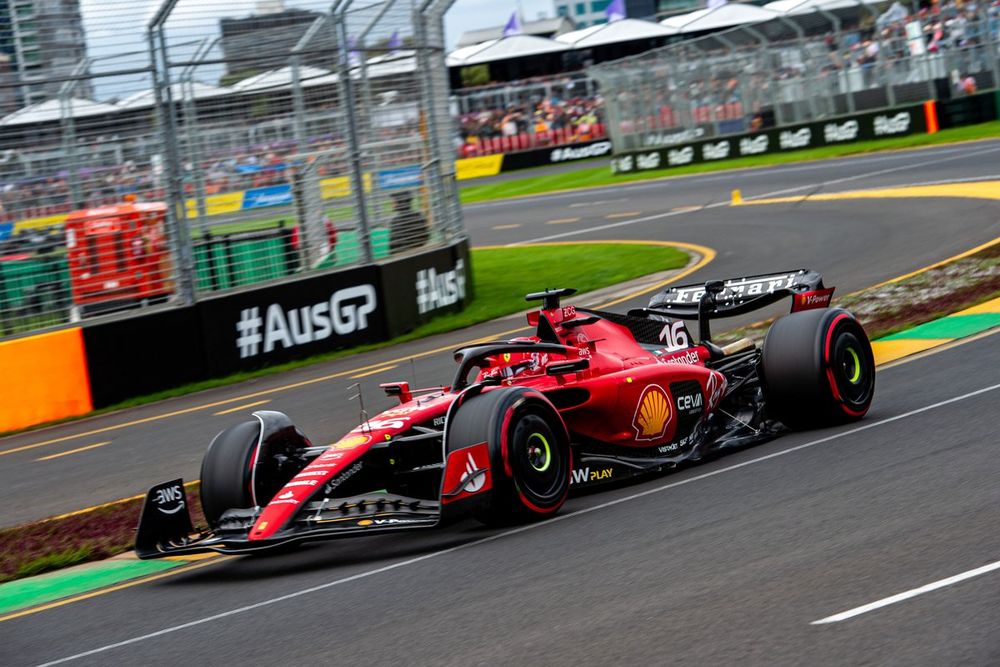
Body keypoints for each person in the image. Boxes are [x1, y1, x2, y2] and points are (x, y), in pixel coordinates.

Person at [388, 189, 429, 254]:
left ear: (400, 202)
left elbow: (393, 247)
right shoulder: (420, 216)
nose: (392, 204)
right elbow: (425, 238)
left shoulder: (396, 221)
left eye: (394, 202)